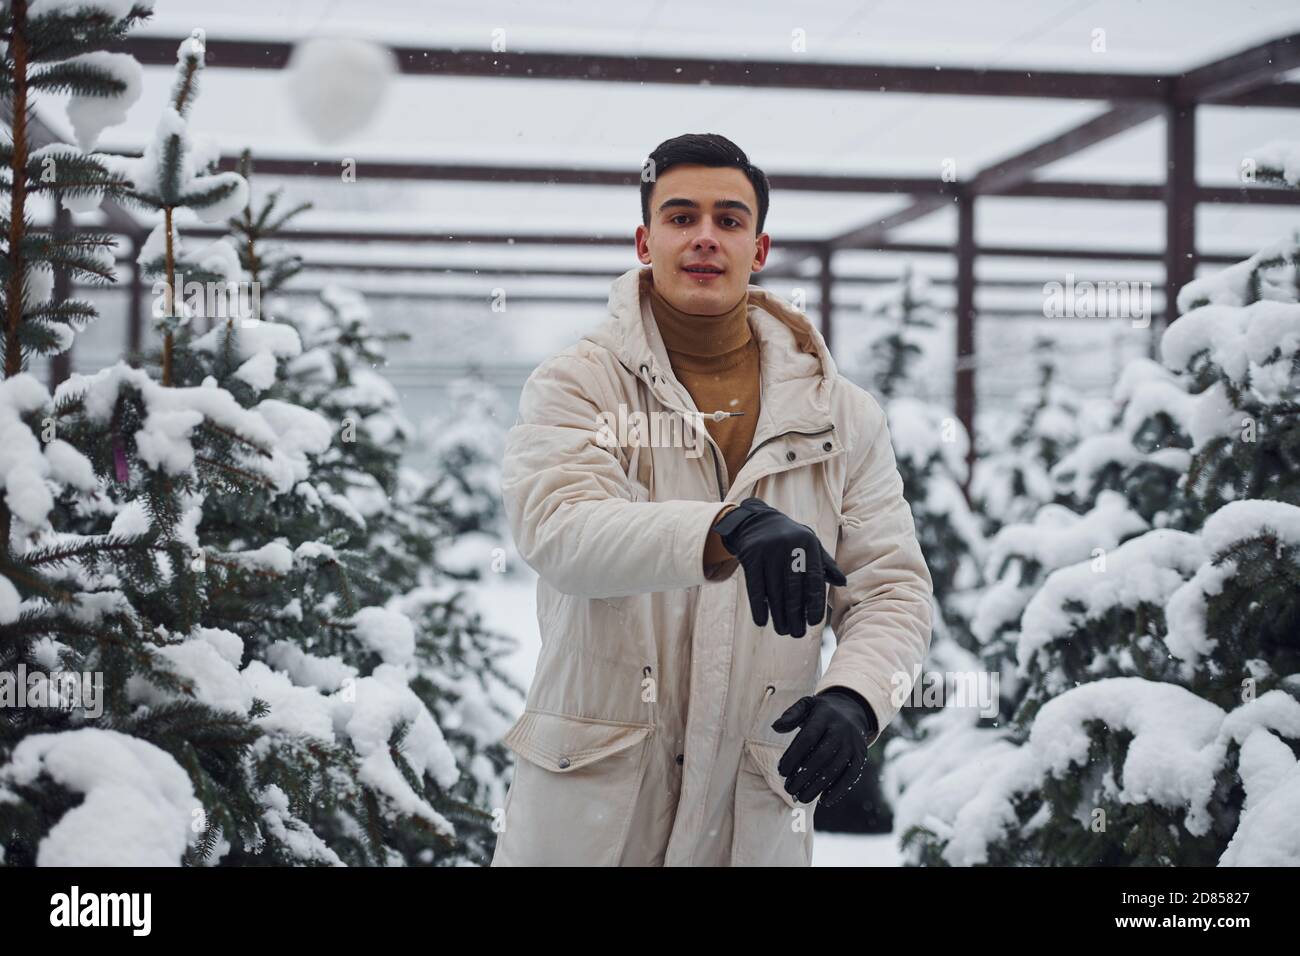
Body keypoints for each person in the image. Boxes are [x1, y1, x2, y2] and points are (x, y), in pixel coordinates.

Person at [490, 133, 933, 866]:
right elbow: (561, 529)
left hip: (750, 805)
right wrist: (729, 527)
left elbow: (892, 589)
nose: (705, 238)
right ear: (645, 239)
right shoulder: (577, 385)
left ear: (759, 250)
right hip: (595, 805)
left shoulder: (843, 416)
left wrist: (856, 697)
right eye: (681, 216)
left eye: (729, 220)